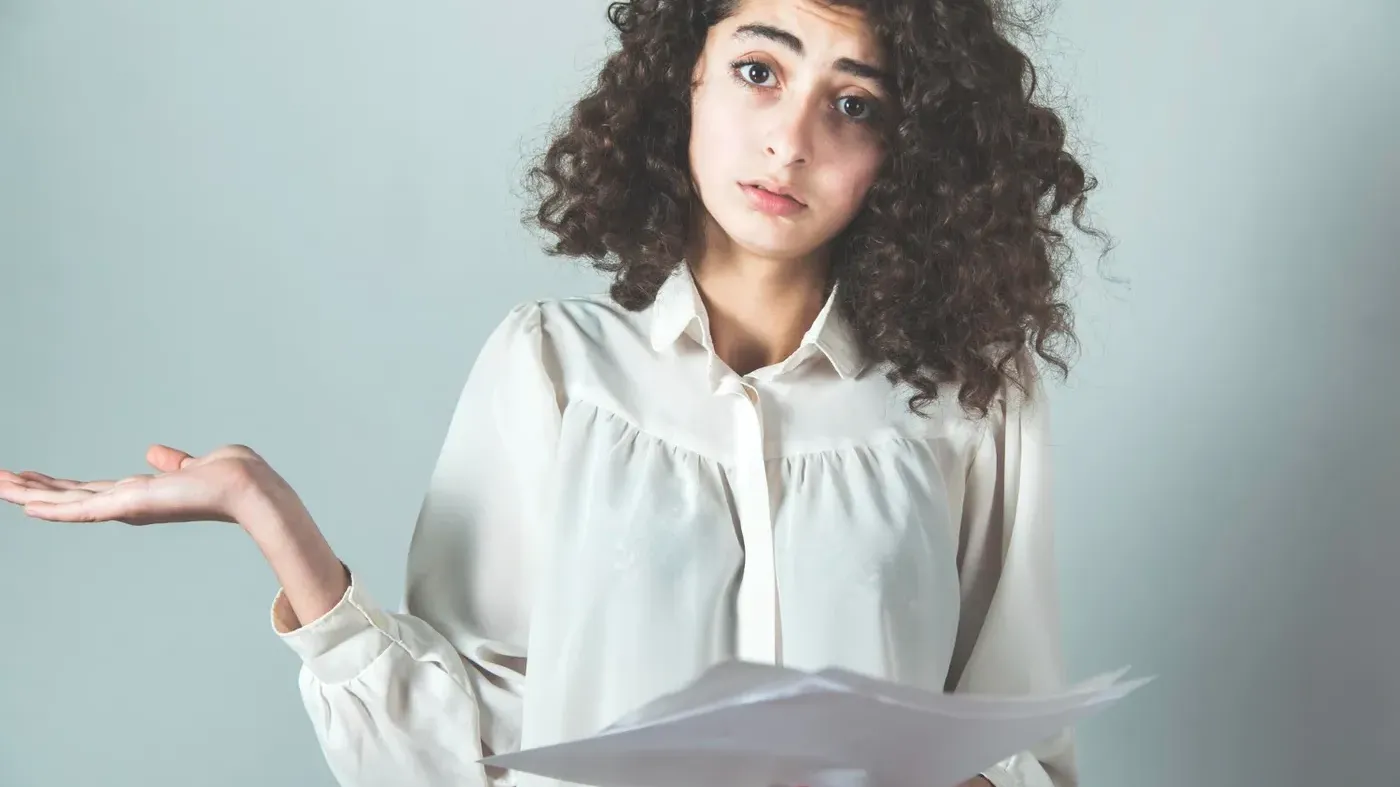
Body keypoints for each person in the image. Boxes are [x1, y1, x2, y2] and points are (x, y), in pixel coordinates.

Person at [0, 0, 1109, 785]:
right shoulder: (554, 370)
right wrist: (269, 516)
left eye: (853, 103)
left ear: (906, 147)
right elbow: (461, 751)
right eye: (759, 71)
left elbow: (1017, 742)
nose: (790, 140)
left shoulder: (967, 403)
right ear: (686, 73)